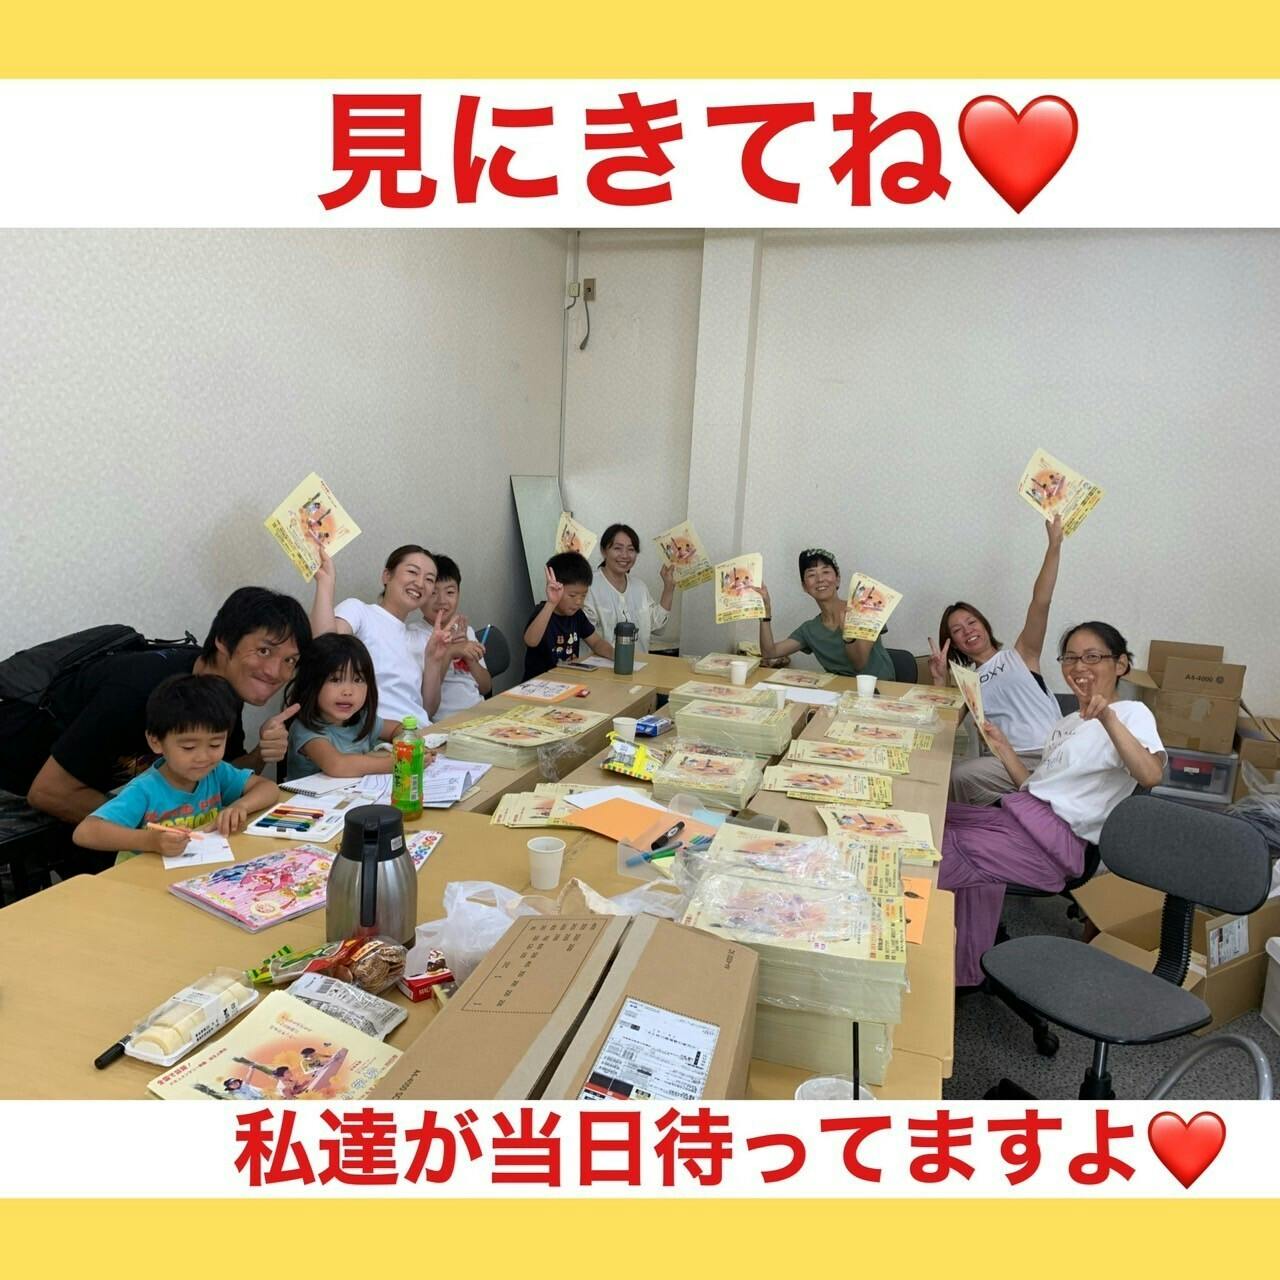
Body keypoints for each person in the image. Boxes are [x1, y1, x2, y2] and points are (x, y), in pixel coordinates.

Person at [938, 622, 1166, 987]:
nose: (1079, 666)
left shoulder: (1131, 713)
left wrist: (1107, 718)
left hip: (1051, 846)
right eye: (1070, 658)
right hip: (1018, 817)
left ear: (1121, 664)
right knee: (931, 818)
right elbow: (1035, 788)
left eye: (1092, 657)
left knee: (935, 852)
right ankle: (957, 956)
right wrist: (1003, 748)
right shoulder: (1065, 724)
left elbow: (1150, 774)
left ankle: (938, 967)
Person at [13, 587, 309, 827]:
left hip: (93, 795)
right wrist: (158, 829)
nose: (275, 672)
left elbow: (219, 776)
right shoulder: (135, 691)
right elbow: (49, 792)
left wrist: (260, 754)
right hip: (20, 783)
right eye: (264, 650)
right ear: (223, 641)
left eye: (290, 660)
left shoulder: (221, 689)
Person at [72, 674, 279, 864]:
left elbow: (268, 788)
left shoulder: (216, 772)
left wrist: (240, 806)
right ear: (156, 742)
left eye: (215, 744)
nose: (203, 757)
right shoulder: (145, 789)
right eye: (188, 747)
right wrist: (150, 841)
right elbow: (85, 832)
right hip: (144, 880)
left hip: (196, 872)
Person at [930, 516, 1066, 805]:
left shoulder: (1021, 654)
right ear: (953, 642)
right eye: (957, 630)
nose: (968, 631)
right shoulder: (967, 683)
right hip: (1011, 760)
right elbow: (944, 728)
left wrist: (1054, 546)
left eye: (971, 622)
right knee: (956, 776)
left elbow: (1040, 602)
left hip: (1053, 750)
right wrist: (940, 680)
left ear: (984, 624)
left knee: (960, 778)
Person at [310, 543, 452, 725]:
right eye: (412, 572)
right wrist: (325, 583)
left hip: (418, 733)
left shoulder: (420, 638)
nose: (420, 583)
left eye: (429, 579)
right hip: (376, 734)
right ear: (387, 576)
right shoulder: (359, 611)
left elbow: (427, 710)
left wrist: (433, 661)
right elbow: (323, 648)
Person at [284, 634, 413, 780]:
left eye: (357, 679)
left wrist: (411, 746)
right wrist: (397, 763)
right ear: (311, 683)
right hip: (310, 795)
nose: (348, 691)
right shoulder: (305, 729)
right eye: (335, 680)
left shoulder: (361, 720)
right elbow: (337, 765)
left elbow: (397, 729)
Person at [758, 548, 895, 681]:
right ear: (804, 586)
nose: (820, 579)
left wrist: (848, 637)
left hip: (881, 688)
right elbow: (770, 652)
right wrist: (765, 612)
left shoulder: (863, 610)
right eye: (811, 574)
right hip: (838, 690)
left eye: (826, 572)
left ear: (837, 579)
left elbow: (859, 665)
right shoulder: (809, 629)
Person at [583, 523, 675, 654]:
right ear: (604, 551)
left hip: (638, 663)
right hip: (600, 664)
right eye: (617, 548)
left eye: (631, 549)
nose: (625, 555)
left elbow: (657, 627)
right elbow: (583, 630)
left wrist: (668, 588)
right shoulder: (589, 585)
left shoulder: (639, 587)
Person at [522, 552, 614, 680]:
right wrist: (551, 603)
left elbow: (596, 642)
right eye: (572, 595)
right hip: (539, 683)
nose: (579, 601)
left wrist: (614, 654)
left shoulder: (577, 615)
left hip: (568, 680)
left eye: (583, 595)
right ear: (555, 588)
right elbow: (531, 641)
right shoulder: (543, 612)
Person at [421, 554, 491, 719]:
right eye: (433, 593)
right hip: (445, 721)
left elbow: (486, 687)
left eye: (450, 592)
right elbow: (423, 700)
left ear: (459, 594)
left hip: (479, 714)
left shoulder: (466, 631)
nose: (442, 600)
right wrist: (450, 652)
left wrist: (469, 657)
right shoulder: (415, 636)